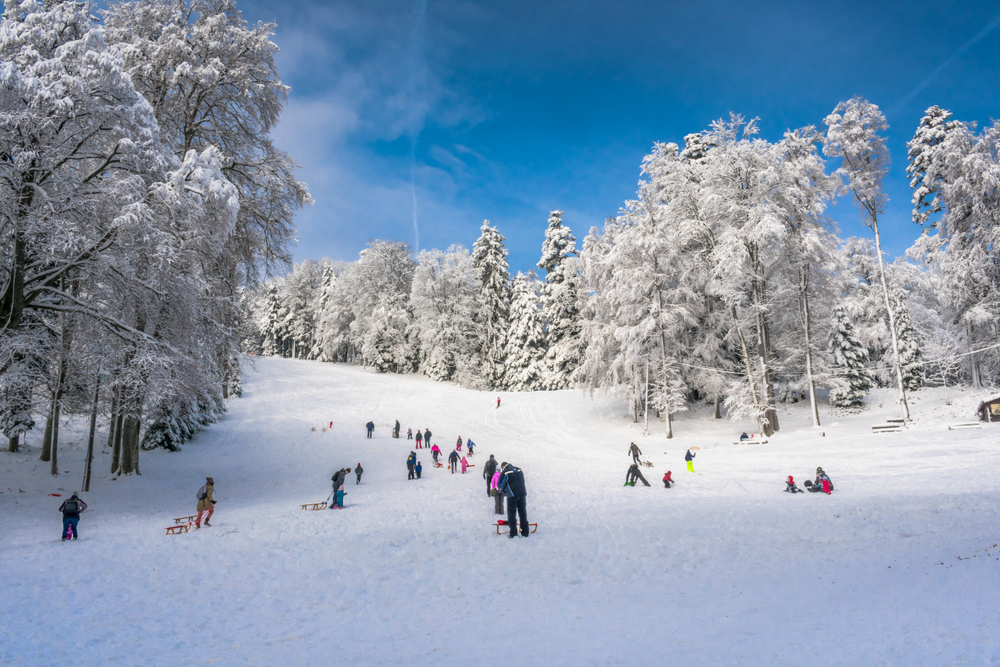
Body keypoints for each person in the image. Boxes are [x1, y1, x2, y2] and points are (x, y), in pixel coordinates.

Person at [498, 462, 528, 538]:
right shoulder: (519, 469)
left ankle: (513, 533)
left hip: (512, 496)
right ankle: (525, 532)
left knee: (511, 514)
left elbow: (500, 485)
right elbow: (523, 481)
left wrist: (504, 490)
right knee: (522, 513)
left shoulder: (505, 472)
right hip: (522, 494)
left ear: (503, 467)